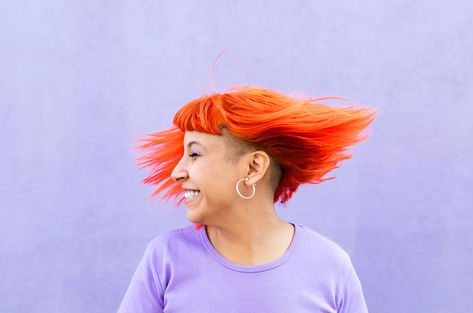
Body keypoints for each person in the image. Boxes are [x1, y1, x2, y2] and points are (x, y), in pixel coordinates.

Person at [117, 85, 377, 313]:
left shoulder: (330, 265)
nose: (177, 172)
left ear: (253, 168)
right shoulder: (165, 258)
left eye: (194, 153)